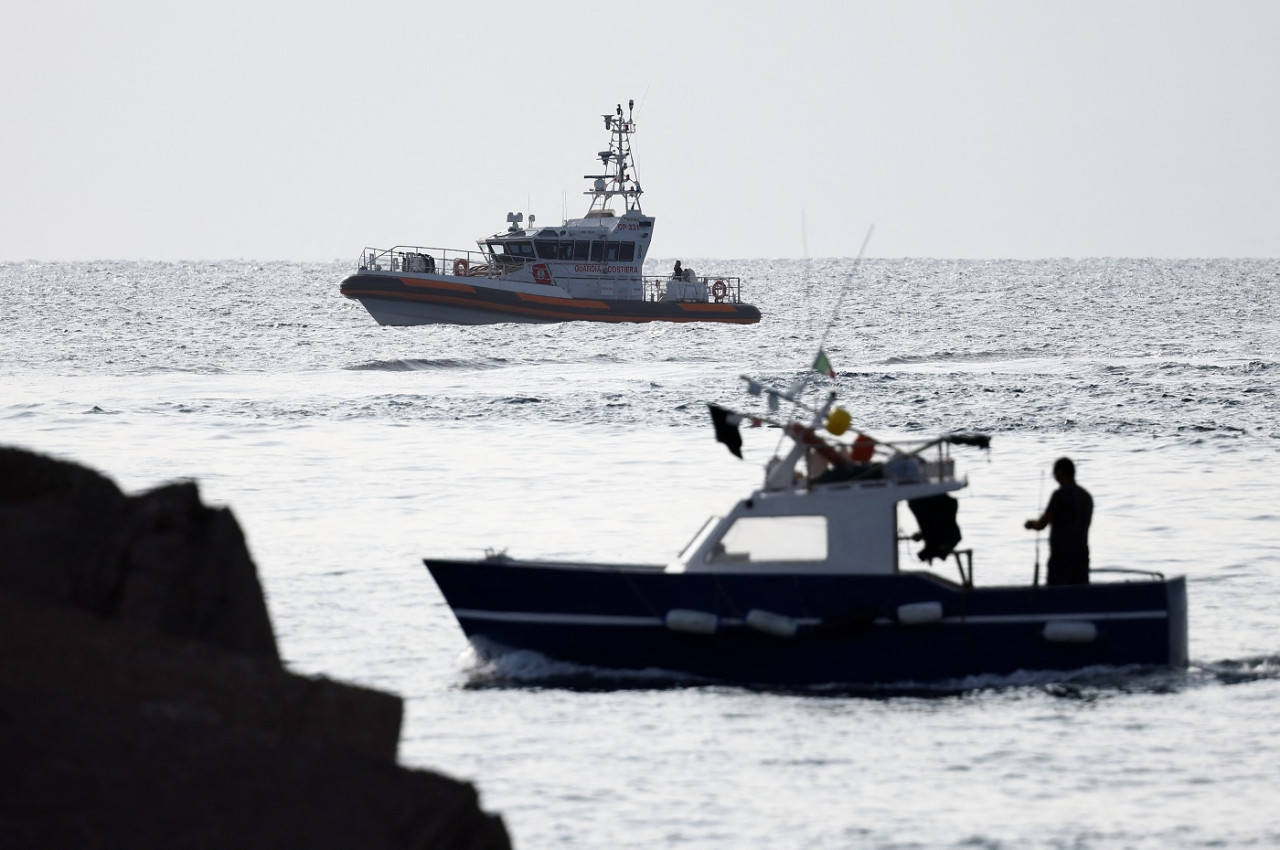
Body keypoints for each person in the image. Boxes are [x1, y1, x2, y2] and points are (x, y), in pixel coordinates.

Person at [1025, 457, 1093, 585]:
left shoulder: (1059, 495)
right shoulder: (1087, 497)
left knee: (1056, 596)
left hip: (1061, 558)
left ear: (1060, 472)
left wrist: (1030, 524)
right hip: (1082, 557)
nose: (1054, 476)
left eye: (1055, 473)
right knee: (1080, 597)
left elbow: (1042, 524)